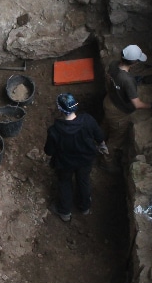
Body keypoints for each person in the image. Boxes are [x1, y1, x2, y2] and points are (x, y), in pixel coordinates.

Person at [44, 93, 106, 222]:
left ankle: (65, 212)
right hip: (85, 161)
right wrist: (102, 145)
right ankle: (85, 208)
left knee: (65, 183)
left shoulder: (55, 130)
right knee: (83, 181)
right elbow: (99, 136)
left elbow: (48, 151)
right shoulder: (88, 120)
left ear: (60, 109)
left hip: (65, 164)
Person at [102, 44, 152, 169]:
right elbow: (137, 104)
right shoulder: (127, 80)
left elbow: (111, 80)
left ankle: (98, 137)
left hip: (108, 101)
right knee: (116, 139)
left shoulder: (113, 64)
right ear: (134, 62)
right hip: (118, 112)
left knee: (106, 123)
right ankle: (107, 161)